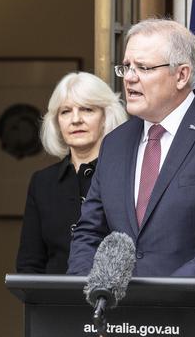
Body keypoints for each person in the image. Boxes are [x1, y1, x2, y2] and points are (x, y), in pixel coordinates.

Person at [67, 19, 195, 337]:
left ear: (181, 75)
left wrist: (169, 293)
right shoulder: (115, 143)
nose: (130, 78)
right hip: (124, 323)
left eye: (144, 68)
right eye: (126, 67)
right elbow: (89, 232)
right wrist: (84, 289)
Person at [16, 72, 126, 274]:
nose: (76, 120)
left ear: (105, 116)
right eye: (65, 111)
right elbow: (29, 265)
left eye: (87, 109)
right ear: (57, 122)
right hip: (54, 303)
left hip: (115, 301)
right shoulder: (42, 182)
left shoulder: (128, 174)